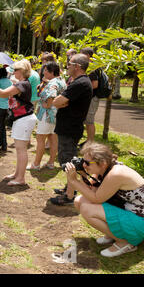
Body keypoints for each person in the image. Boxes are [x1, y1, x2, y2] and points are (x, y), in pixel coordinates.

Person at [66, 142, 144, 257]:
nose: (84, 165)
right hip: (131, 212)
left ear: (102, 163)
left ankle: (126, 242)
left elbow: (96, 199)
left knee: (87, 209)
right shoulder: (104, 169)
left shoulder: (116, 174)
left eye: (87, 163)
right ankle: (115, 234)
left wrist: (74, 181)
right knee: (80, 201)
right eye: (83, 161)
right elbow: (91, 193)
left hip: (142, 220)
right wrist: (83, 174)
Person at [0, 59, 37, 186]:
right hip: (21, 118)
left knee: (21, 149)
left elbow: (3, 94)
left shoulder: (21, 84)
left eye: (15, 70)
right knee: (19, 149)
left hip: (24, 118)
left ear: (22, 71)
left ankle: (20, 178)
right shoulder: (22, 83)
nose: (13, 72)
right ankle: (17, 174)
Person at [50, 53, 93, 205]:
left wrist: (61, 101)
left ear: (77, 66)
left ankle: (69, 195)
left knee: (68, 162)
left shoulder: (80, 83)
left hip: (70, 128)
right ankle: (71, 188)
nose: (66, 66)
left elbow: (56, 101)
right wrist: (62, 102)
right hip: (69, 127)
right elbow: (60, 102)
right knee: (68, 159)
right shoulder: (79, 82)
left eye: (69, 64)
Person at [27, 61, 66, 170]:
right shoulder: (61, 80)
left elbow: (51, 95)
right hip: (57, 115)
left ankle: (36, 164)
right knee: (53, 139)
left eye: (45, 72)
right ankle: (51, 163)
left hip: (47, 115)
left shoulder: (53, 83)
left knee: (40, 139)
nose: (43, 75)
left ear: (51, 72)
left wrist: (47, 104)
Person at [79, 47, 102, 147]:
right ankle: (88, 141)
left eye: (82, 54)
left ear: (88, 55)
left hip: (93, 98)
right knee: (87, 120)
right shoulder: (91, 65)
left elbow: (95, 84)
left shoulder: (92, 67)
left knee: (89, 120)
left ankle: (90, 142)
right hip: (90, 97)